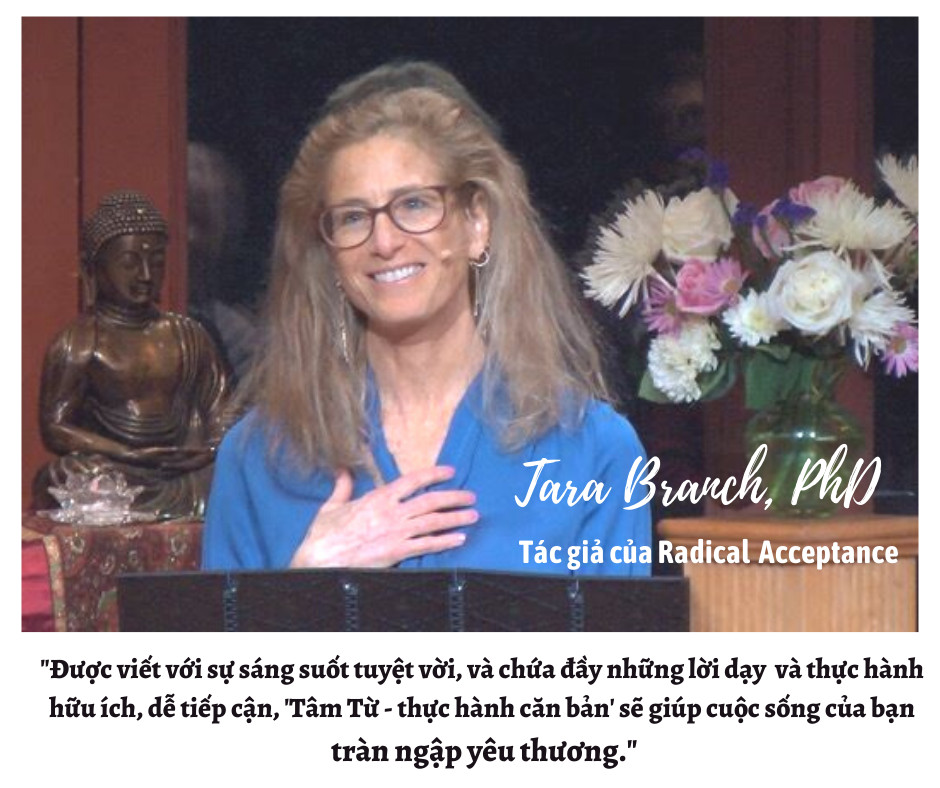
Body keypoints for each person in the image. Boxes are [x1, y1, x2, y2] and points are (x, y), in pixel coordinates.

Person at [202, 61, 651, 574]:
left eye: (415, 205)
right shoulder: (256, 458)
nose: (384, 241)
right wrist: (307, 583)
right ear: (329, 254)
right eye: (353, 217)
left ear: (476, 223)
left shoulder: (594, 451)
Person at [36, 190, 232, 520]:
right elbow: (55, 428)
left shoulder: (189, 334)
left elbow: (221, 408)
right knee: (64, 475)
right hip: (117, 470)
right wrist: (128, 453)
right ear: (93, 268)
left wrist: (208, 450)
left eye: (156, 263)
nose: (145, 275)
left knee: (231, 474)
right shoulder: (79, 342)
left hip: (182, 472)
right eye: (129, 263)